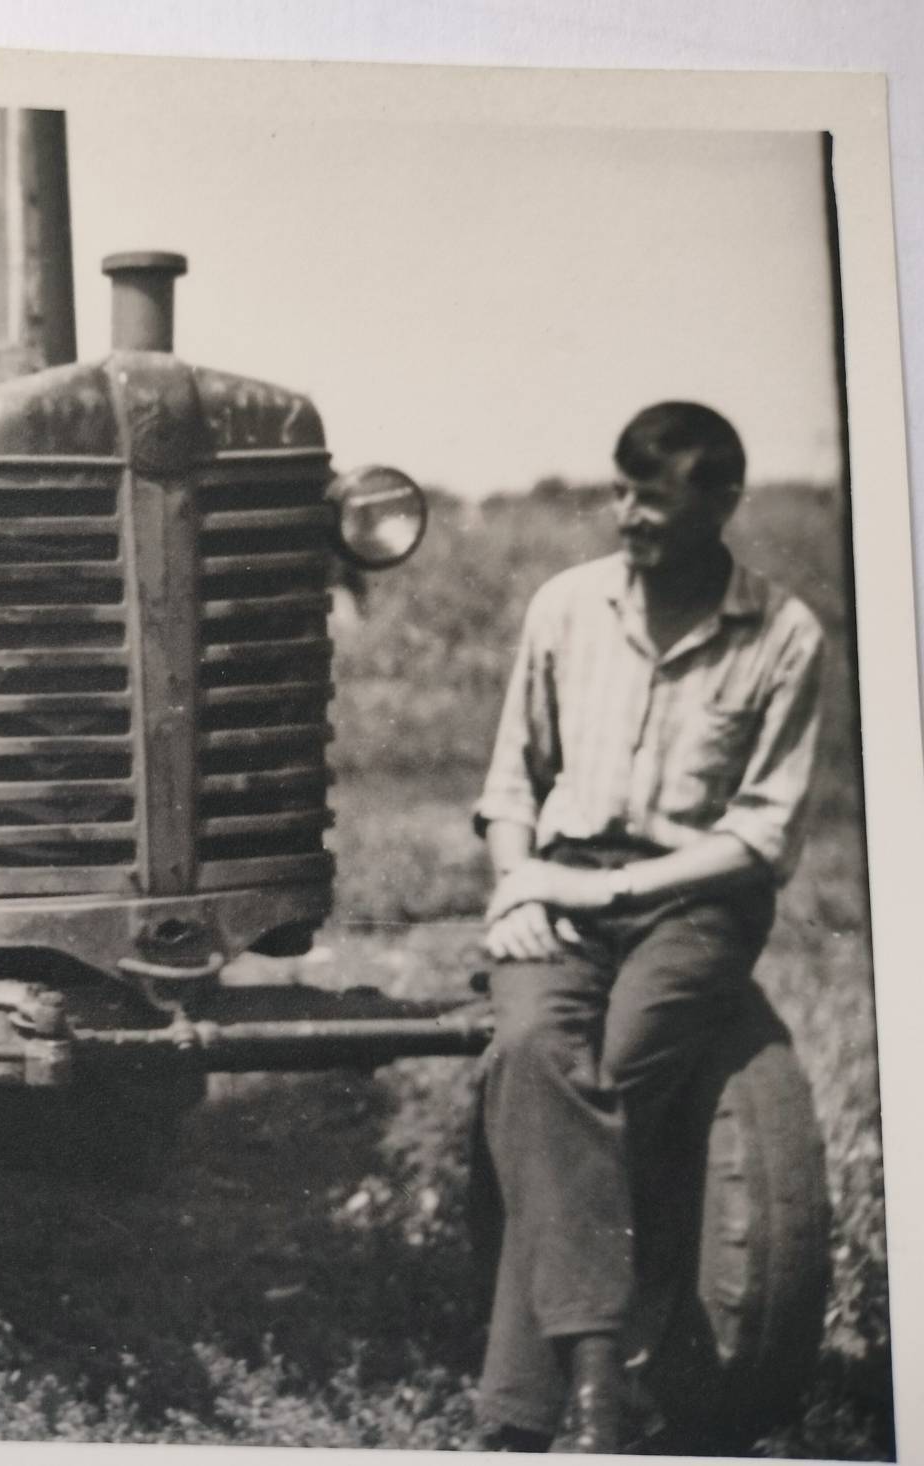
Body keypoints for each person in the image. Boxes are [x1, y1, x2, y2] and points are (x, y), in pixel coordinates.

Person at [471, 402, 824, 1451]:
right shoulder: (566, 606)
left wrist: (610, 894)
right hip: (558, 880)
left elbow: (761, 834)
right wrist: (518, 886)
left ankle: (520, 1414)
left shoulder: (785, 635)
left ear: (723, 503)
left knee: (610, 1081)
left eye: (654, 499)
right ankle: (598, 1389)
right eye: (620, 492)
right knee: (532, 1052)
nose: (627, 515)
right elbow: (512, 781)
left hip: (695, 900)